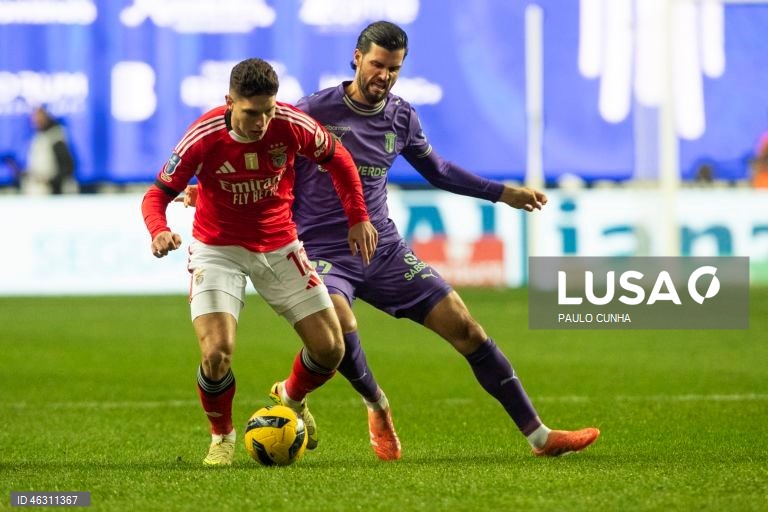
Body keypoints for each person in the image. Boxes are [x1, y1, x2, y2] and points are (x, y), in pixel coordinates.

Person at [184, 22, 599, 460]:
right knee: (339, 327)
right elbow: (260, 158)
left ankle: (539, 436)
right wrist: (205, 189)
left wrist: (503, 193)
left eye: (394, 69)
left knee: (466, 327)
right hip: (321, 253)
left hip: (384, 251)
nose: (384, 75)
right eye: (378, 64)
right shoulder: (311, 111)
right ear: (357, 58)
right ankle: (376, 404)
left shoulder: (401, 117)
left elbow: (438, 170)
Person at [141, 58, 378, 467]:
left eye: (268, 111)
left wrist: (358, 217)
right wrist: (158, 230)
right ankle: (222, 437)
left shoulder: (291, 123)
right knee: (217, 353)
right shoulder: (204, 134)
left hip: (280, 245)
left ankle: (290, 397)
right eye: (252, 113)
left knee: (331, 350)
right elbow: (156, 194)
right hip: (218, 248)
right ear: (229, 101)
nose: (262, 122)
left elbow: (338, 158)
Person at [4, 106, 77, 195]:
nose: (36, 120)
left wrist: (51, 183)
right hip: (37, 191)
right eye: (34, 117)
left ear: (46, 116)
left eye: (39, 116)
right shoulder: (37, 138)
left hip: (52, 193)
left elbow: (67, 168)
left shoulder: (56, 137)